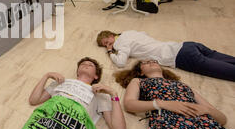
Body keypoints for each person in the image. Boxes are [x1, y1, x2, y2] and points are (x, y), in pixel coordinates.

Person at [4, 57, 126, 129]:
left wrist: (113, 93)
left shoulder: (100, 94)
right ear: (77, 71)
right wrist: (46, 76)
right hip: (48, 121)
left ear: (96, 76)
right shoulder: (61, 82)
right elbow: (34, 100)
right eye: (83, 64)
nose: (86, 65)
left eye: (91, 65)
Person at [115, 60, 235, 129]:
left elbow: (222, 119)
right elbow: (129, 104)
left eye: (154, 61)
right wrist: (161, 104)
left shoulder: (183, 85)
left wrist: (206, 109)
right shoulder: (139, 81)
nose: (151, 62)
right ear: (141, 72)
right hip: (170, 127)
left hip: (207, 127)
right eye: (145, 63)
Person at [96, 30, 235, 82]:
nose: (109, 45)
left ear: (110, 36)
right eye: (106, 45)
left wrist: (109, 52)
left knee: (226, 72)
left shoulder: (120, 43)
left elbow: (120, 63)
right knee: (223, 58)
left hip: (180, 56)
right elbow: (144, 34)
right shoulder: (127, 32)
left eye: (107, 42)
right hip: (187, 45)